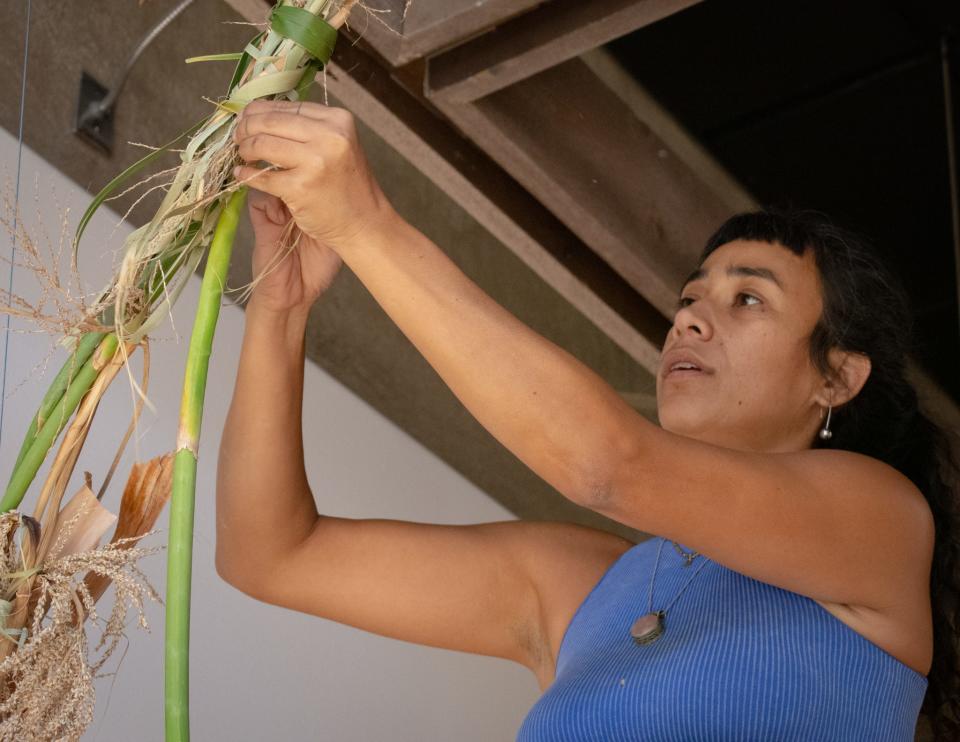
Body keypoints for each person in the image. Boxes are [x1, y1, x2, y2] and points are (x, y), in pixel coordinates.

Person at [216, 99, 960, 740]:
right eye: (691, 298)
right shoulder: (585, 586)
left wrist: (368, 226)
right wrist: (281, 310)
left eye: (749, 300)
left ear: (836, 377)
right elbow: (270, 555)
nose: (694, 319)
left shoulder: (881, 524)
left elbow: (607, 465)